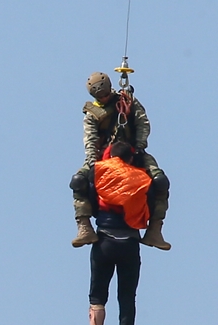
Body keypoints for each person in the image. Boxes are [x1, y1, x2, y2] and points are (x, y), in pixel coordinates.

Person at [70, 71, 171, 251]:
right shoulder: (92, 113)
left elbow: (142, 122)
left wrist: (139, 146)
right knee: (78, 181)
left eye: (106, 94)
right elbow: (90, 139)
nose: (104, 98)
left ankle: (155, 229)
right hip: (103, 155)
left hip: (133, 150)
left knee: (160, 180)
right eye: (100, 97)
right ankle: (84, 226)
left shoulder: (127, 101)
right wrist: (93, 162)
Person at [77, 142, 151, 325]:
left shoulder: (99, 171)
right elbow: (149, 203)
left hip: (104, 242)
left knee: (97, 298)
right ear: (130, 159)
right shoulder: (141, 178)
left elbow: (89, 196)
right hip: (129, 243)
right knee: (127, 300)